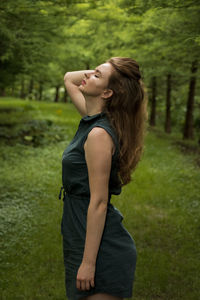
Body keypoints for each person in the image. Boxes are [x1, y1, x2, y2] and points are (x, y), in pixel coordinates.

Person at [59, 57, 148, 300]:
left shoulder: (99, 134)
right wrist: (108, 70)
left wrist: (88, 264)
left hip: (102, 250)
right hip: (80, 233)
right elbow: (69, 78)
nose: (86, 77)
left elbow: (98, 202)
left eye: (96, 76)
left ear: (108, 92)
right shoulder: (93, 119)